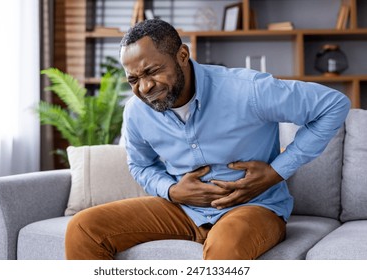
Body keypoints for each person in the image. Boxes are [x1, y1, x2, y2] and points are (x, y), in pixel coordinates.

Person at [65, 19, 350, 260]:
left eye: (152, 71)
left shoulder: (248, 90)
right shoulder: (137, 112)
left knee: (226, 246)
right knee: (84, 228)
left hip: (254, 207)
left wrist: (276, 171)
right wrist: (172, 190)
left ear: (182, 56)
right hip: (181, 209)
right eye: (133, 79)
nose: (144, 87)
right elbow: (140, 165)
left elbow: (333, 104)